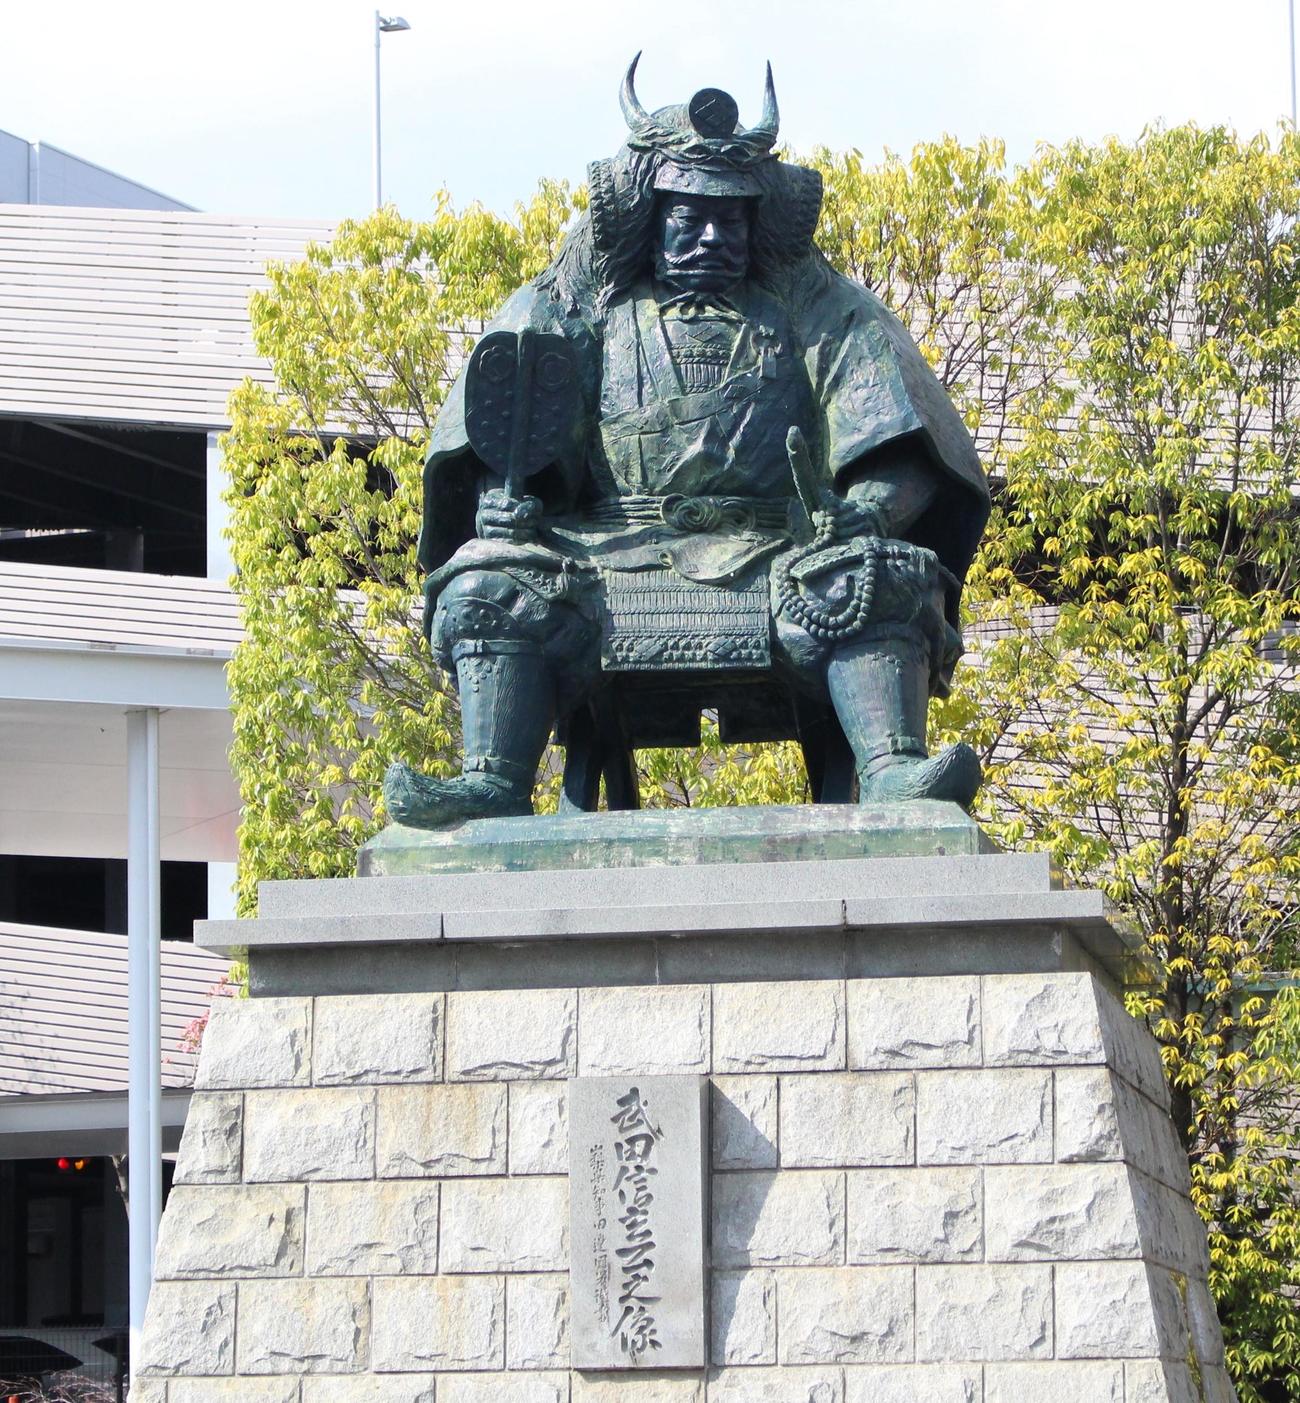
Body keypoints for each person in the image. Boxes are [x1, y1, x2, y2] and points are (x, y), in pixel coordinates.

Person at [384, 57, 990, 828]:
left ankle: (892, 765)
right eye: (688, 217)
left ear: (757, 222)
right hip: (604, 556)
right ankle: (491, 778)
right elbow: (504, 416)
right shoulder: (581, 308)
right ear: (648, 216)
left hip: (782, 557)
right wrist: (503, 505)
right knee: (484, 582)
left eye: (730, 218)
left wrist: (864, 513)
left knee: (883, 574)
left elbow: (900, 447)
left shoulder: (818, 311)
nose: (712, 235)